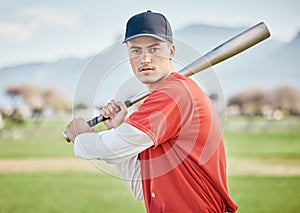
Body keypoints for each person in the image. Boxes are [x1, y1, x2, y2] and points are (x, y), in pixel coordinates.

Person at [65, 10, 238, 213]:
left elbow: (110, 146)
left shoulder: (175, 93)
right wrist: (120, 126)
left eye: (154, 49)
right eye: (136, 51)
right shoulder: (161, 100)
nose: (145, 59)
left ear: (171, 51)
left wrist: (81, 136)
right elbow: (141, 187)